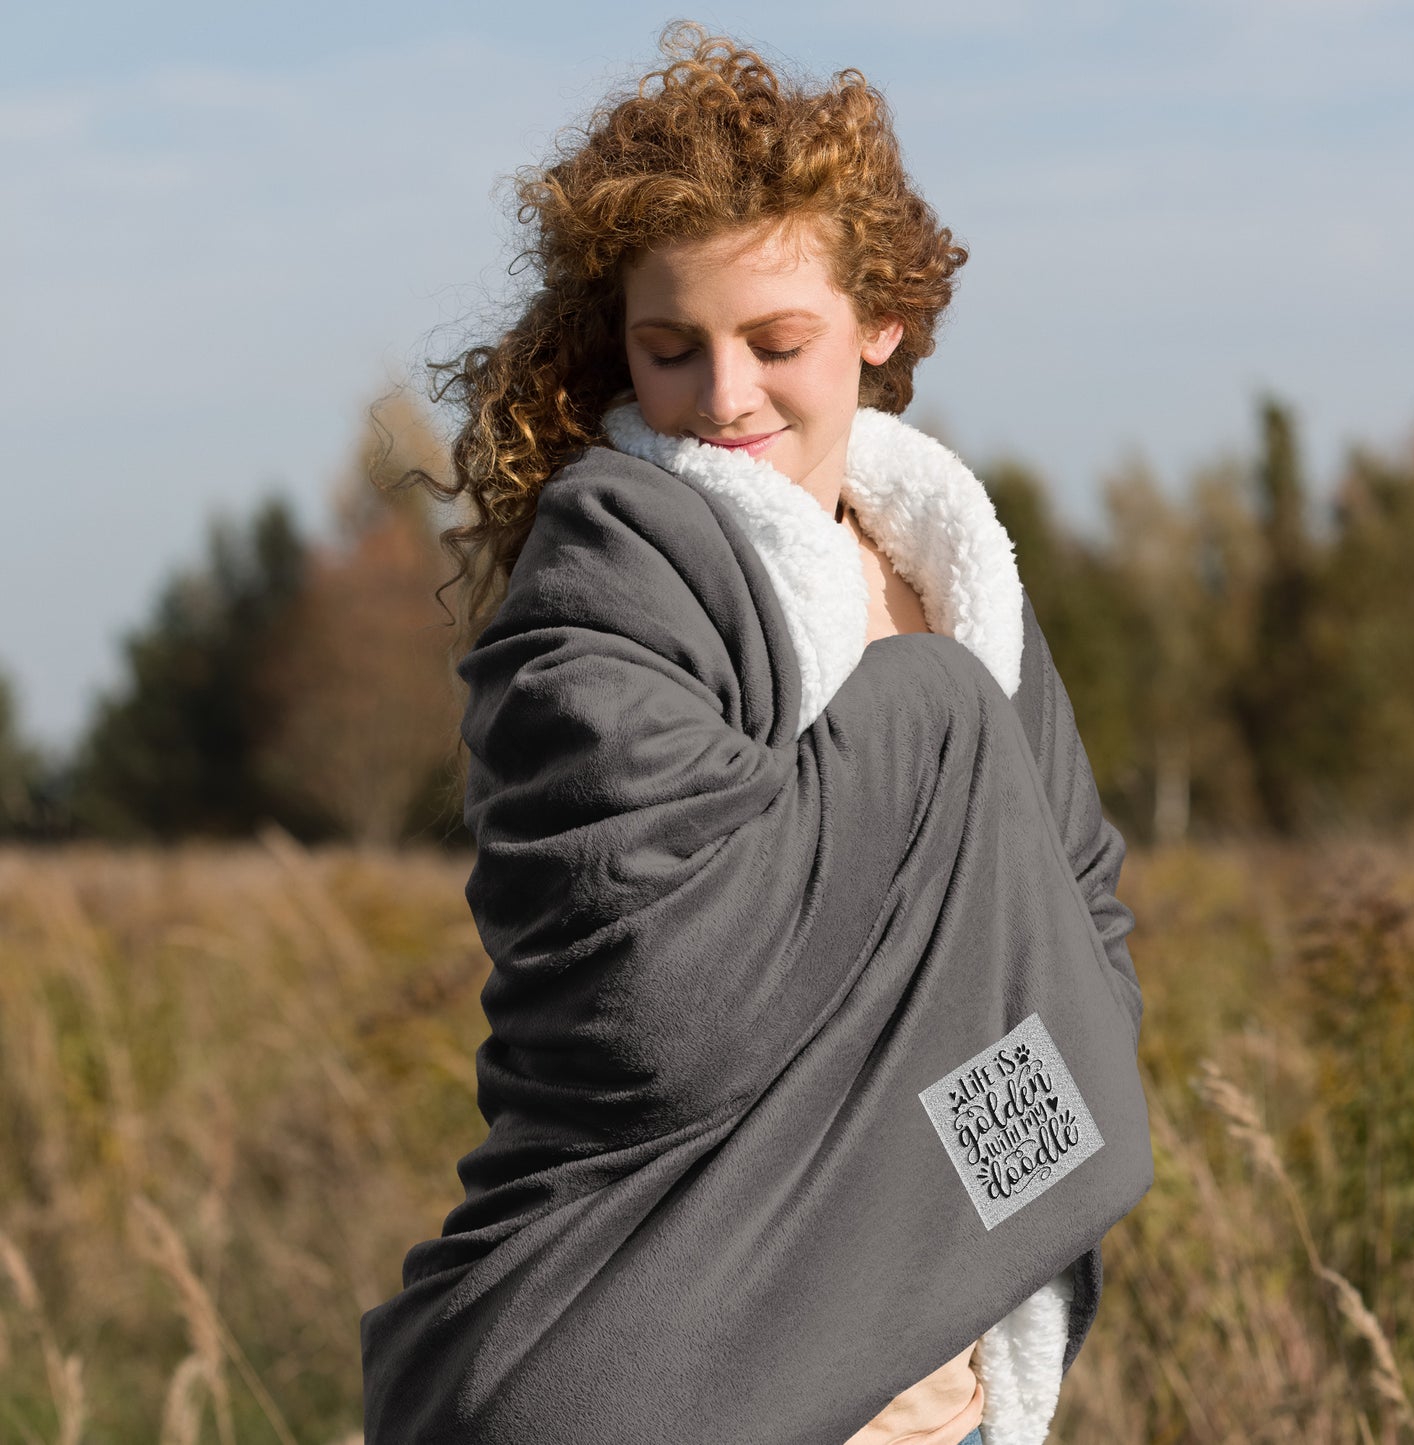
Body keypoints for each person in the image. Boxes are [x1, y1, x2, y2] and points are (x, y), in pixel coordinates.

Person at [360, 22, 1151, 1445]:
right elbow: (657, 996)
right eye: (670, 350)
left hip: (936, 1388)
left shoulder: (952, 579)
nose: (722, 398)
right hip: (665, 1356)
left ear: (880, 323)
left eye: (775, 343)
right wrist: (928, 724)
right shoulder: (604, 582)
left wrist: (982, 1183)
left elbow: (1070, 911)